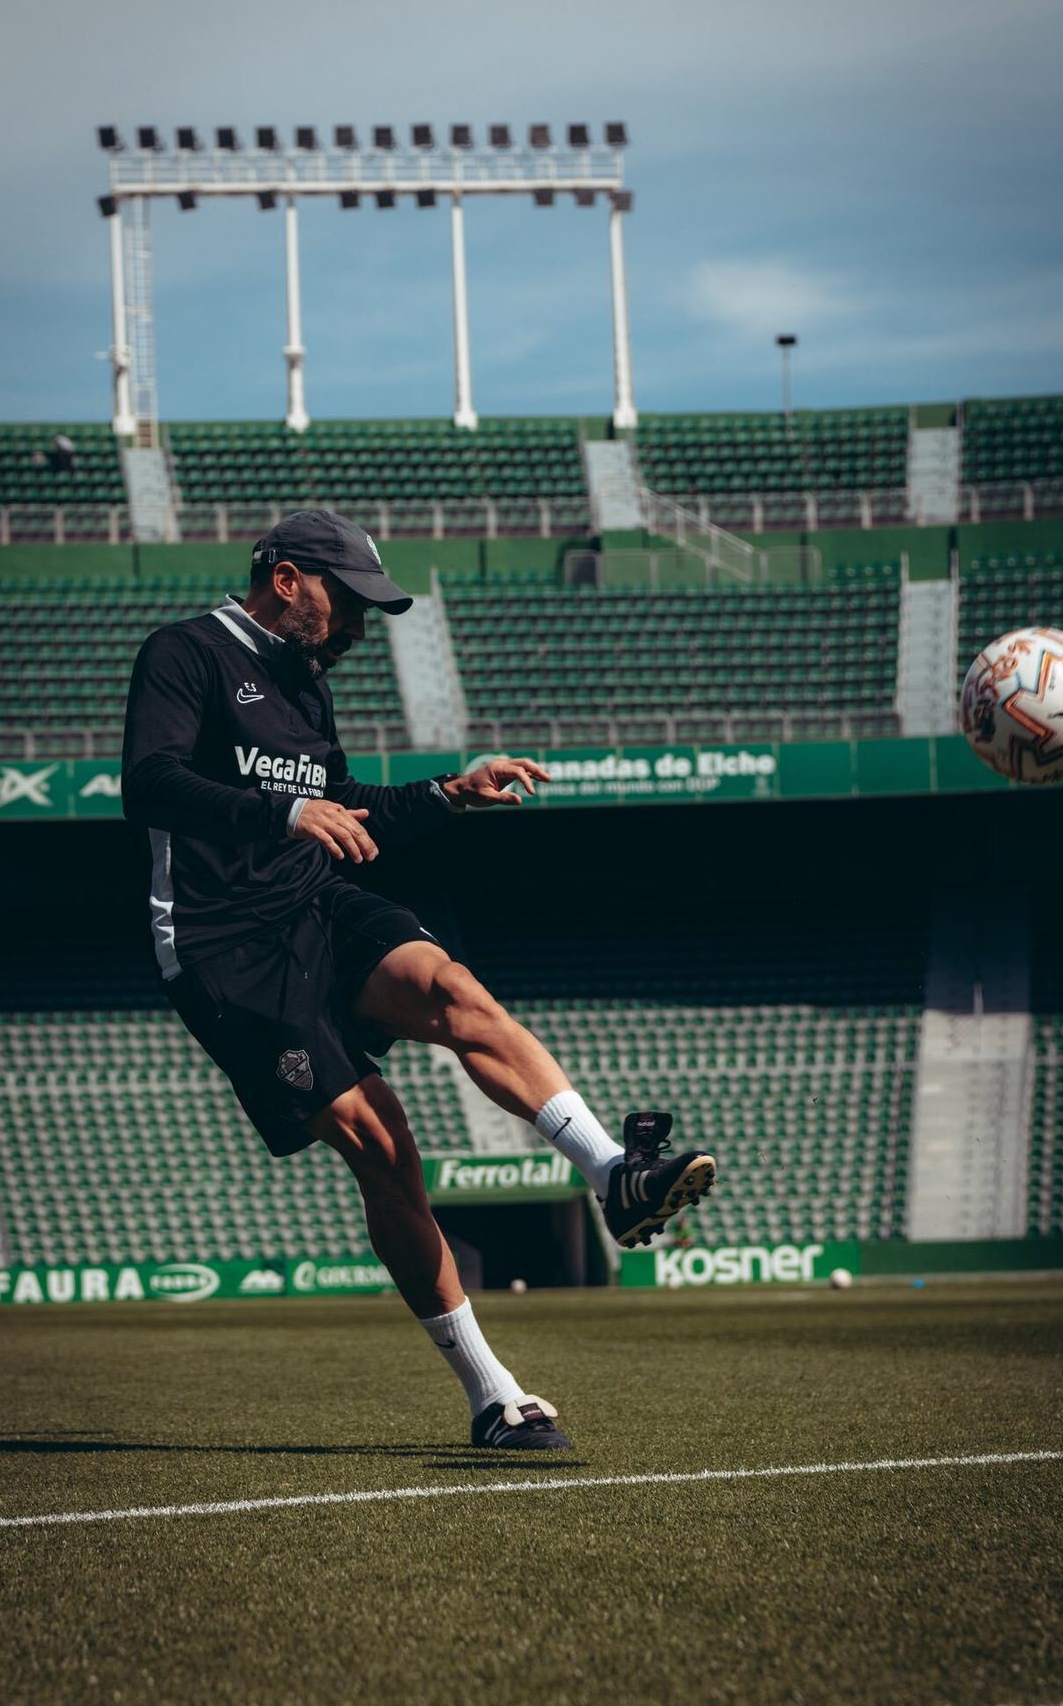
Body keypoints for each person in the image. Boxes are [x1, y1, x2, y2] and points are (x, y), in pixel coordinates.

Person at [122, 509, 716, 1450]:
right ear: (287, 579)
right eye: (346, 600)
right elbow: (146, 784)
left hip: (316, 904)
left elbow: (344, 809)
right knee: (385, 1142)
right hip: (222, 945)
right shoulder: (184, 653)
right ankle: (494, 1395)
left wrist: (446, 795)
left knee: (455, 989)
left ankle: (616, 1174)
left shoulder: (305, 686)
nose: (358, 625)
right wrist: (285, 812)